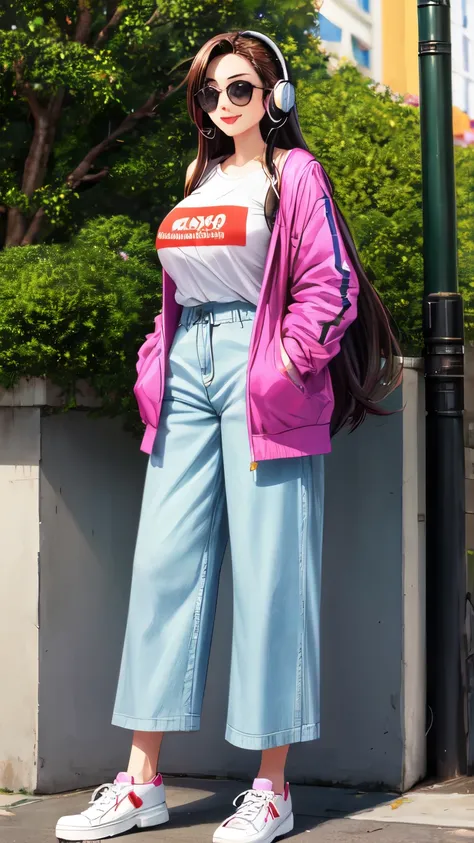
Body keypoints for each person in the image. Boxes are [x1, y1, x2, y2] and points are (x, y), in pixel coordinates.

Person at [56, 29, 401, 843]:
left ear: (275, 96)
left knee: (269, 577)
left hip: (263, 377)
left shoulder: (294, 174)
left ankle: (271, 790)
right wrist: (155, 361)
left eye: (239, 89)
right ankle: (141, 783)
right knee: (162, 571)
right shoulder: (199, 176)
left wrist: (283, 364)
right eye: (211, 92)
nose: (222, 104)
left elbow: (331, 285)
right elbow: (175, 292)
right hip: (186, 379)